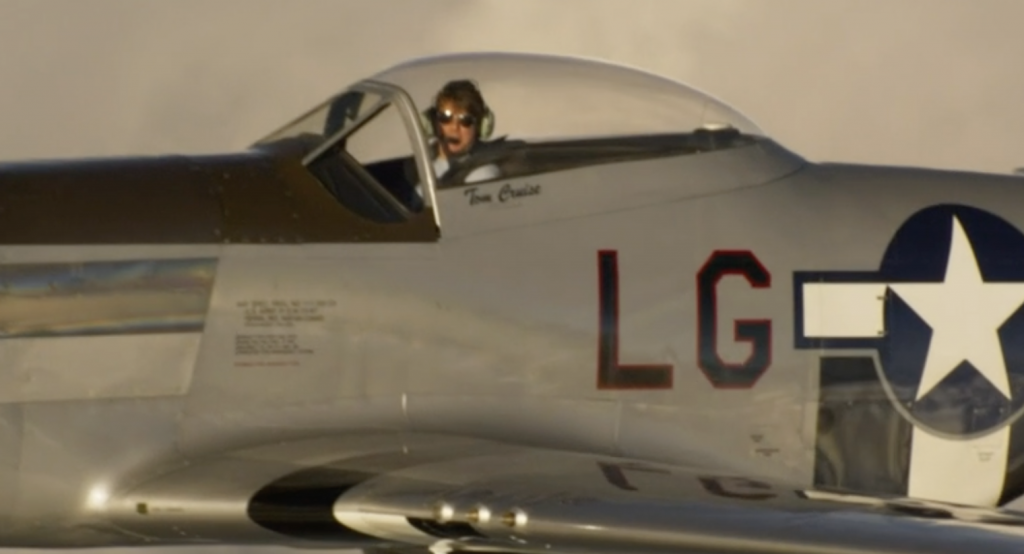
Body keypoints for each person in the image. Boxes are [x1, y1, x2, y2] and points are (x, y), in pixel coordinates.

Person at [426, 80, 500, 184]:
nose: (454, 127)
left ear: (479, 127)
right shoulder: (418, 164)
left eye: (465, 121)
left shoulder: (482, 174)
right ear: (434, 122)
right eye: (445, 118)